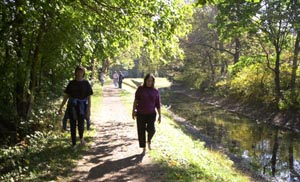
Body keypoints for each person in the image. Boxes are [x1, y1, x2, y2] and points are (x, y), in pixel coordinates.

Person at [58, 66, 93, 148]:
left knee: (81, 123)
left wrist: (88, 109)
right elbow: (66, 96)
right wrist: (61, 107)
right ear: (75, 72)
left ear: (83, 73)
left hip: (82, 106)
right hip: (72, 106)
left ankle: (81, 138)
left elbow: (89, 97)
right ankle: (74, 143)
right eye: (78, 72)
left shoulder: (86, 83)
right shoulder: (71, 83)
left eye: (81, 72)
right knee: (73, 124)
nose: (79, 73)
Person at [132, 73, 161, 153]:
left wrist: (160, 115)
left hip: (151, 114)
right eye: (148, 81)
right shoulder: (140, 89)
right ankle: (143, 147)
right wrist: (133, 111)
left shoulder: (155, 91)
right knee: (141, 130)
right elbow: (136, 101)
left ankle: (149, 141)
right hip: (141, 113)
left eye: (151, 81)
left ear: (153, 82)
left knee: (152, 130)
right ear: (145, 81)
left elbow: (158, 104)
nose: (149, 82)